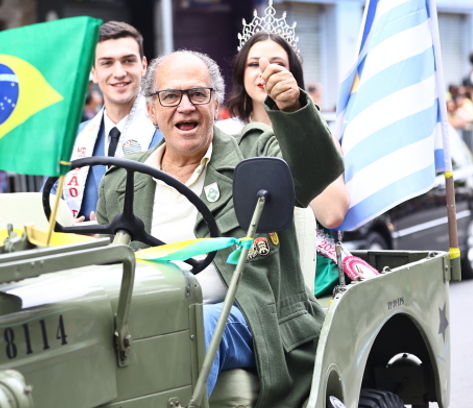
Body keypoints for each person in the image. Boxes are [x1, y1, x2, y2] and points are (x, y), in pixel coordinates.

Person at [96, 47, 342, 407]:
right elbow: (107, 266)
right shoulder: (122, 179)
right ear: (151, 110)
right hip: (146, 318)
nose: (185, 106)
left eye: (198, 94)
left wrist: (292, 108)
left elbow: (315, 174)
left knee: (198, 322)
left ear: (215, 105)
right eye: (170, 96)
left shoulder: (254, 152)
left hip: (247, 319)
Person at [219, 31, 348, 229]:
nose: (265, 71)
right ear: (241, 74)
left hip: (304, 251)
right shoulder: (222, 134)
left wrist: (297, 129)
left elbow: (333, 215)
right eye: (254, 64)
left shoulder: (318, 135)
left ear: (293, 75)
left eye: (278, 65)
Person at [60, 21, 163, 221]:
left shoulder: (167, 132)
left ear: (143, 66)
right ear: (93, 72)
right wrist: (70, 228)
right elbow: (52, 202)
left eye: (128, 61)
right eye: (107, 63)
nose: (119, 73)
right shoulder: (73, 138)